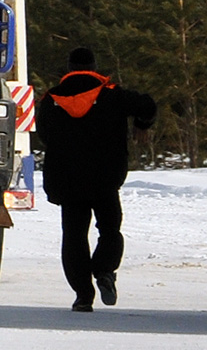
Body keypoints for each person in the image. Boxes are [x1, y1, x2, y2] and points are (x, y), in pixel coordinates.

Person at [36, 46, 156, 313]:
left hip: (68, 180)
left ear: (69, 67)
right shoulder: (112, 94)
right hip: (105, 177)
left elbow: (44, 134)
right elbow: (147, 104)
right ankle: (104, 270)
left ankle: (82, 296)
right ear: (93, 67)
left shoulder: (51, 98)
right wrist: (141, 125)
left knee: (74, 236)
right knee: (110, 228)